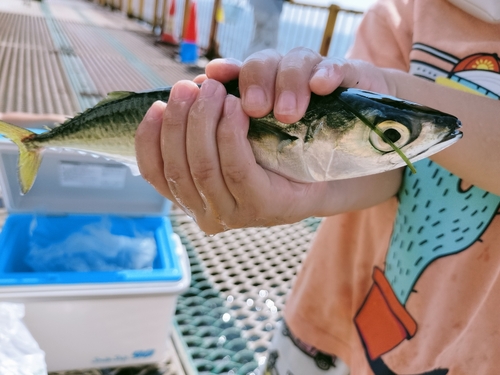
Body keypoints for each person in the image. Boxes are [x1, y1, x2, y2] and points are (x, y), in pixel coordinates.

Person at [135, 0, 500, 373]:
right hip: (330, 316)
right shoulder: (402, 11)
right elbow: (387, 172)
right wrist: (313, 190)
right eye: (392, 134)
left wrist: (391, 86)